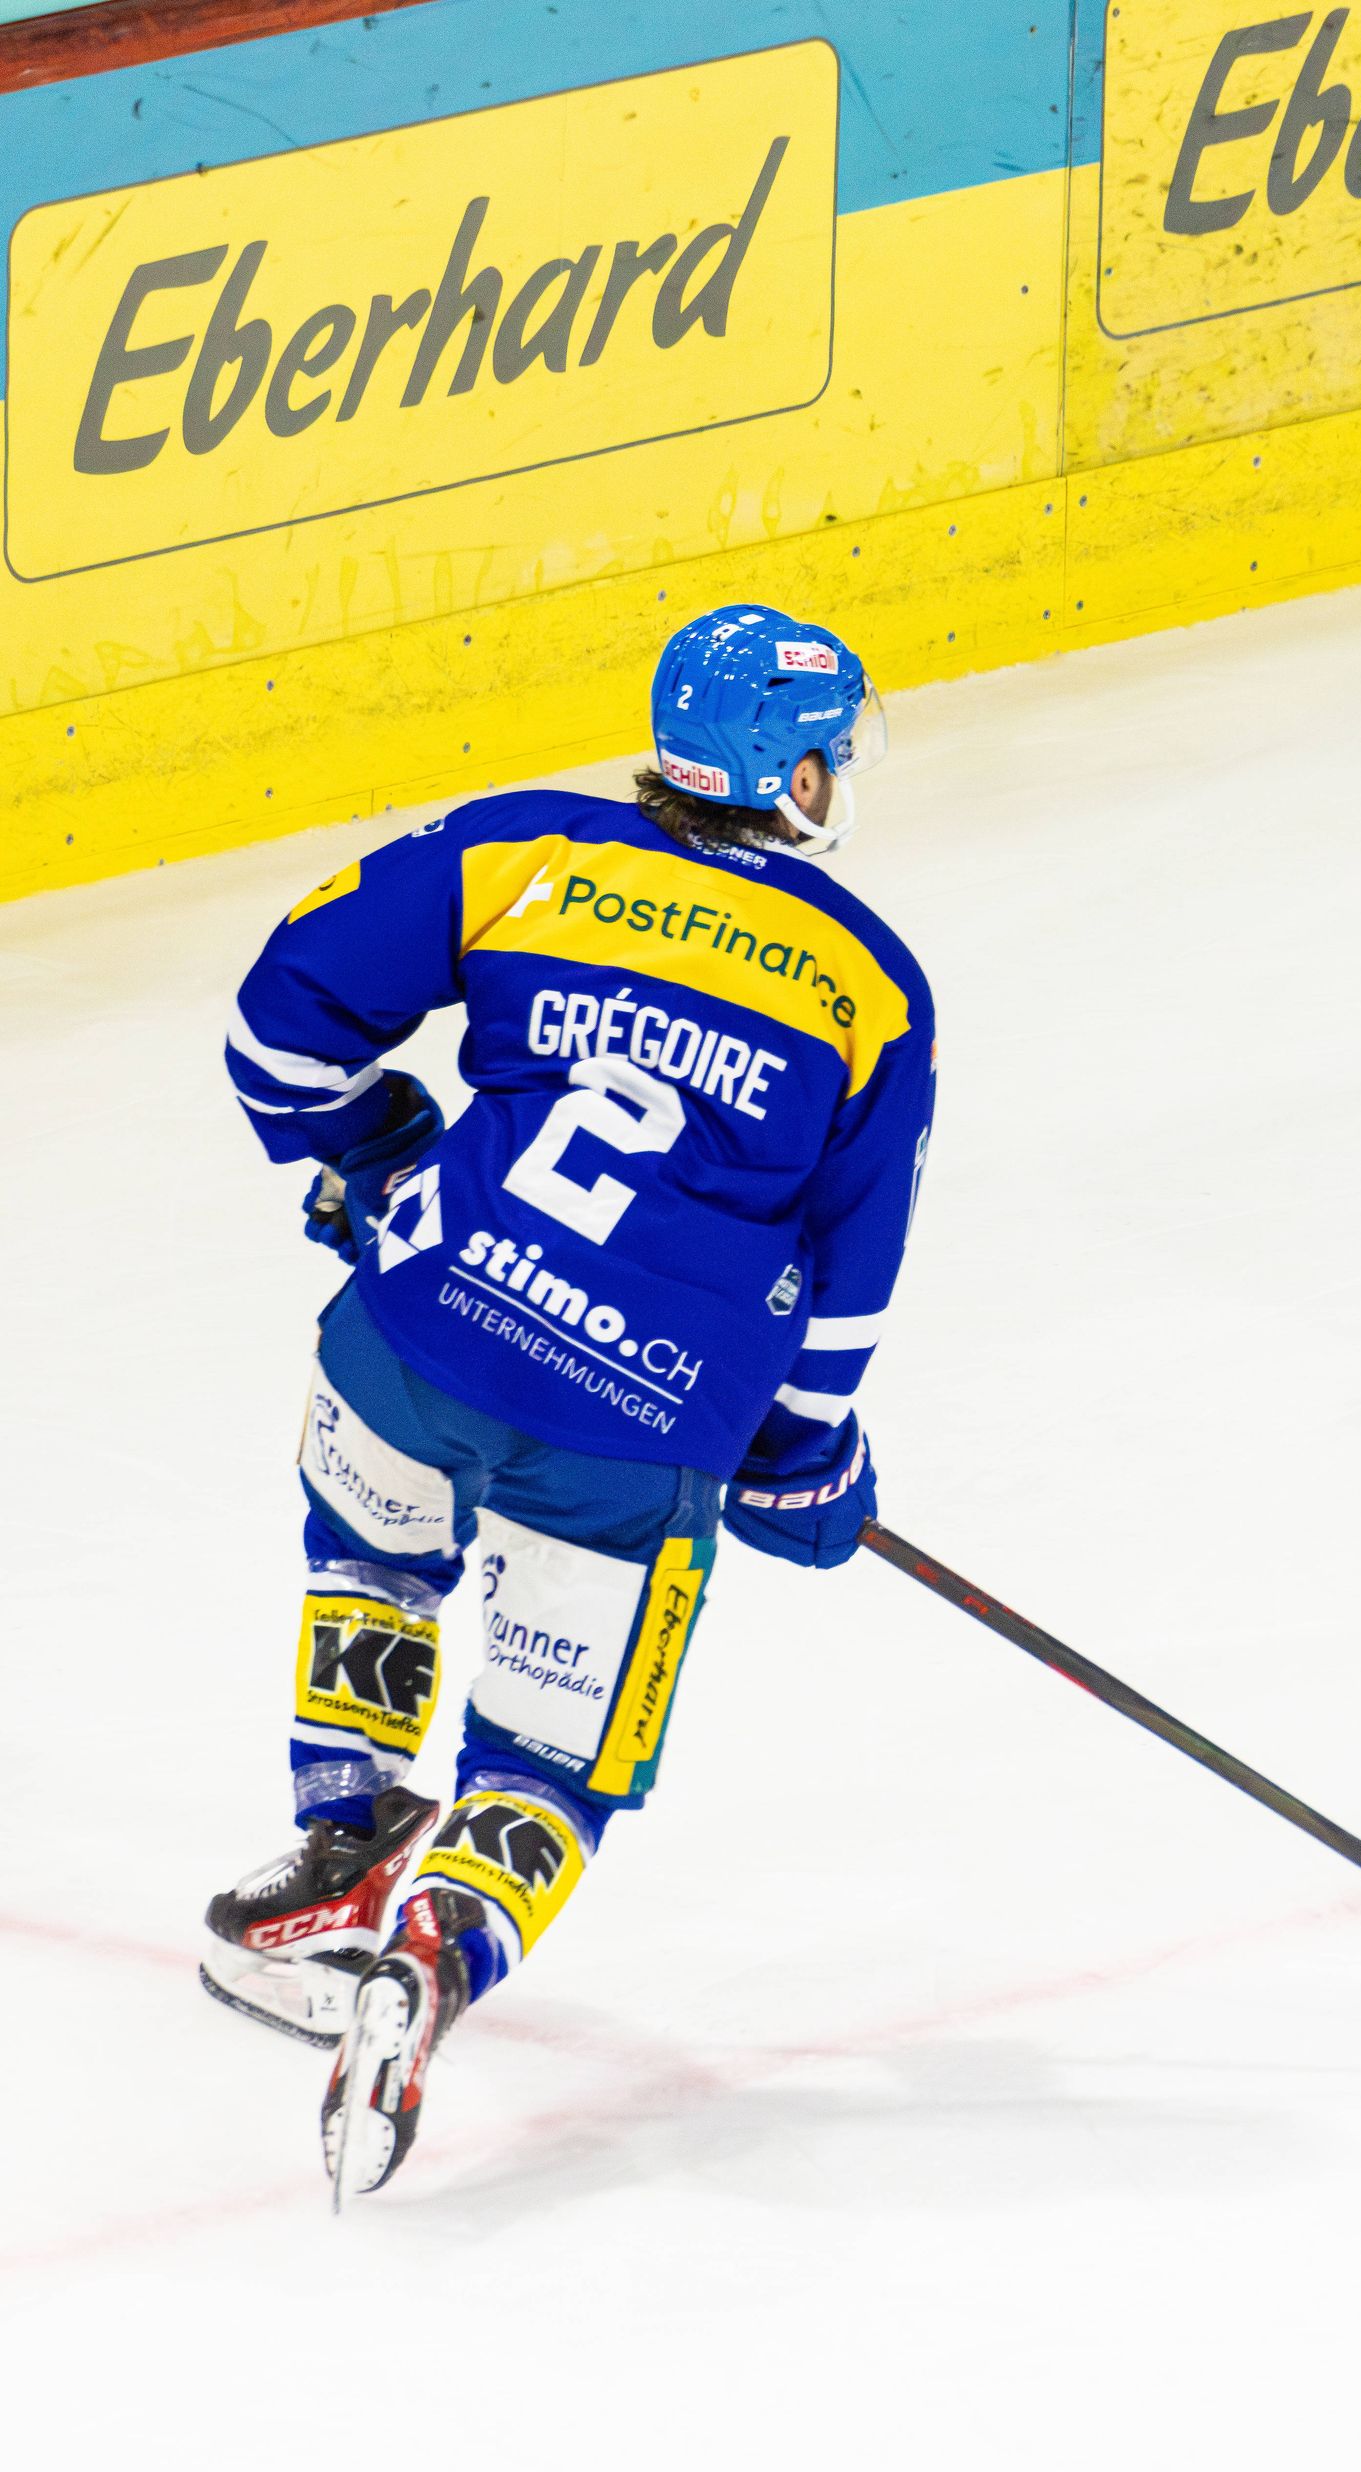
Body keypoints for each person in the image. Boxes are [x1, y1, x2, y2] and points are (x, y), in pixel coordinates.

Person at [198, 604, 938, 2199]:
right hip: (634, 1429)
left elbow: (277, 1023)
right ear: (786, 771)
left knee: (372, 1556)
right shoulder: (871, 987)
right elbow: (853, 1274)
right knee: (547, 1763)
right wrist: (801, 1458)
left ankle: (336, 1852)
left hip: (408, 1344)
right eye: (828, 748)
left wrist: (374, 1148)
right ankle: (429, 1959)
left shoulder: (514, 851)